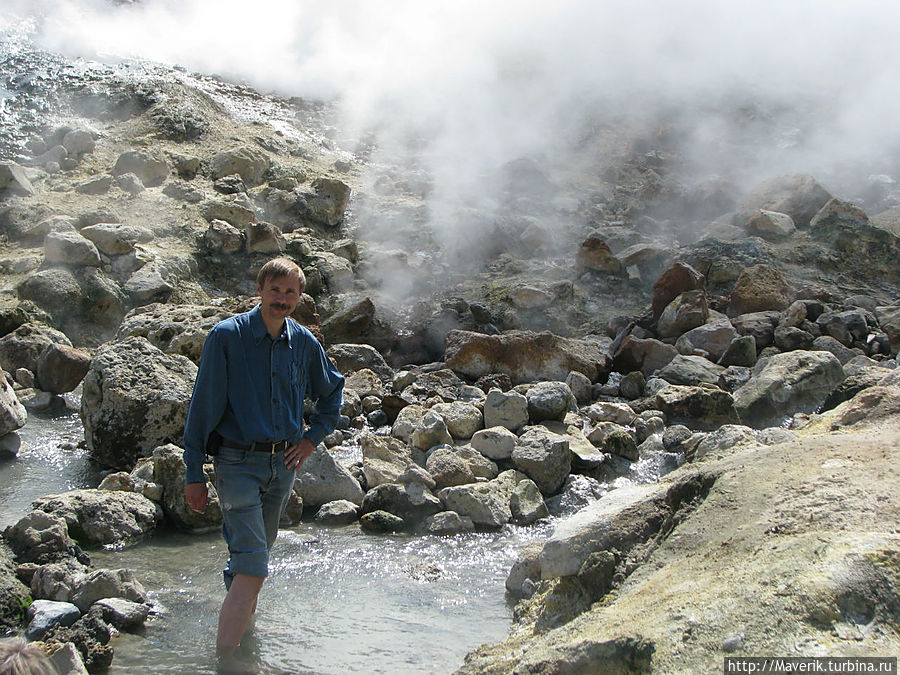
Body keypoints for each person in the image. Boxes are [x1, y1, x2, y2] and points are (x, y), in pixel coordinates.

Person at [182, 257, 344, 655]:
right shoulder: (226, 337)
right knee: (254, 566)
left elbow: (332, 394)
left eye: (291, 292)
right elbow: (202, 407)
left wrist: (310, 440)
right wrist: (193, 472)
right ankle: (227, 662)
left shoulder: (304, 342)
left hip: (283, 468)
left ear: (300, 297)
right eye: (276, 290)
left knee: (248, 562)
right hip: (236, 464)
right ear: (260, 290)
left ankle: (241, 639)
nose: (282, 299)